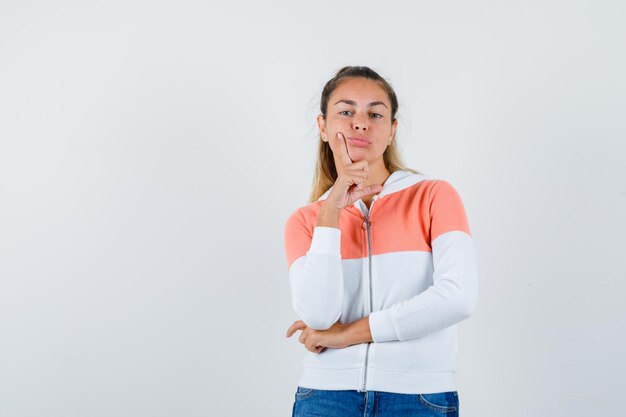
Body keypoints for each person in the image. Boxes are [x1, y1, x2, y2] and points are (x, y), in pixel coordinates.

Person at [283, 66, 478, 417]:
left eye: (375, 113)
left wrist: (347, 335)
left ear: (392, 130)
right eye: (346, 111)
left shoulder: (434, 196)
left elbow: (458, 297)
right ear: (323, 127)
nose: (360, 123)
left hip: (418, 396)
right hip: (326, 397)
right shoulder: (305, 220)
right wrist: (331, 213)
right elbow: (318, 315)